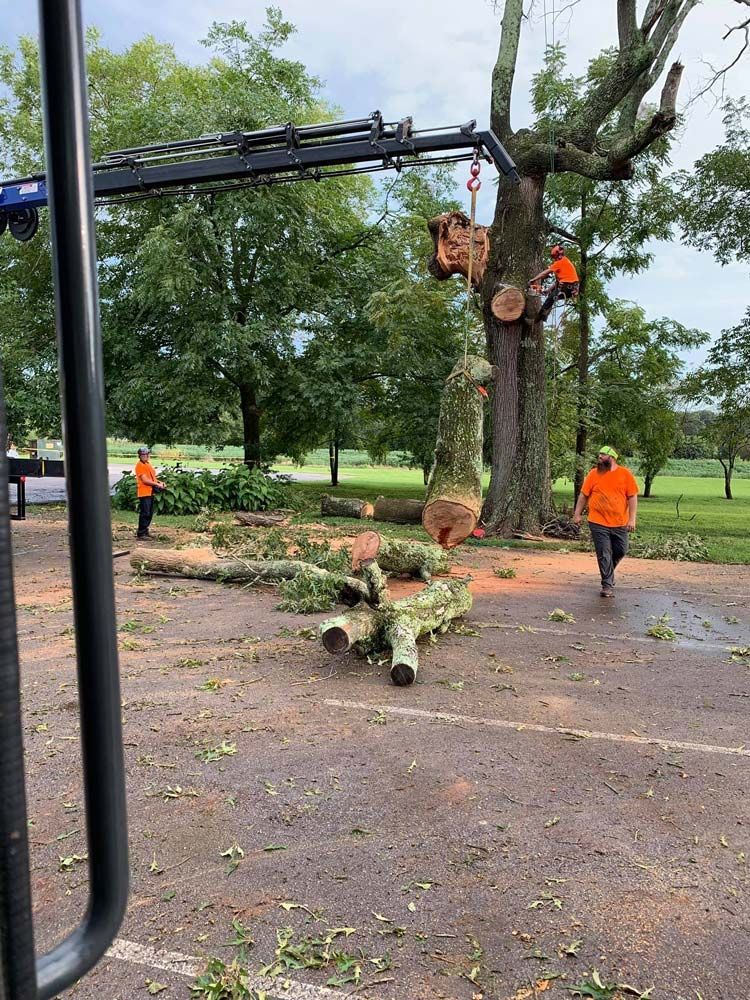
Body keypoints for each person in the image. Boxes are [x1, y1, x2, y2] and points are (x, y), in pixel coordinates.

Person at [572, 446, 638, 598]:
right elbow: (583, 496)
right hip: (597, 521)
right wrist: (577, 514)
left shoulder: (625, 474)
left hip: (620, 522)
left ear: (612, 457)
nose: (599, 457)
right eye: (599, 454)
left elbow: (632, 497)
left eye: (603, 454)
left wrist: (632, 518)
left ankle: (608, 573)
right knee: (604, 552)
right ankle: (607, 585)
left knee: (621, 550)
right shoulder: (593, 474)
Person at [528, 244, 580, 319]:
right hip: (570, 289)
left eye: (557, 256)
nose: (557, 258)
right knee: (553, 298)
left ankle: (539, 316)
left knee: (551, 298)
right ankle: (543, 315)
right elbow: (557, 282)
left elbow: (545, 273)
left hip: (568, 287)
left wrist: (533, 280)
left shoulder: (559, 263)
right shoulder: (565, 261)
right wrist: (548, 290)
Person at [134, 447, 165, 540]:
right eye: (143, 455)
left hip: (150, 492)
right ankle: (141, 533)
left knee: (150, 513)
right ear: (140, 456)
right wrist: (156, 484)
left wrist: (159, 482)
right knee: (145, 513)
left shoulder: (147, 464)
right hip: (144, 492)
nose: (146, 456)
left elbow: (152, 478)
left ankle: (145, 531)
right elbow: (145, 480)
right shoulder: (140, 465)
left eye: (147, 454)